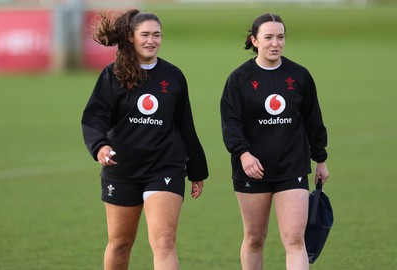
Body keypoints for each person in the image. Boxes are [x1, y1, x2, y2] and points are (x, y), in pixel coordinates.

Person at [81, 9, 208, 270]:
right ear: (130, 37)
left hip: (164, 166)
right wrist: (100, 147)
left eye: (157, 35)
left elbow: (185, 124)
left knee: (163, 241)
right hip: (122, 167)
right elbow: (95, 117)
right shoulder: (112, 75)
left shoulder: (173, 76)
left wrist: (197, 168)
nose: (152, 40)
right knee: (120, 243)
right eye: (145, 35)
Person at [220, 13, 329, 270]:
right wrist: (244, 155)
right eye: (268, 37)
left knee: (294, 238)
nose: (275, 43)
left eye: (280, 37)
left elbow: (313, 119)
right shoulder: (239, 79)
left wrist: (320, 159)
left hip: (292, 165)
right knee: (255, 238)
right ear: (254, 41)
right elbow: (231, 123)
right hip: (252, 169)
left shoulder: (299, 75)